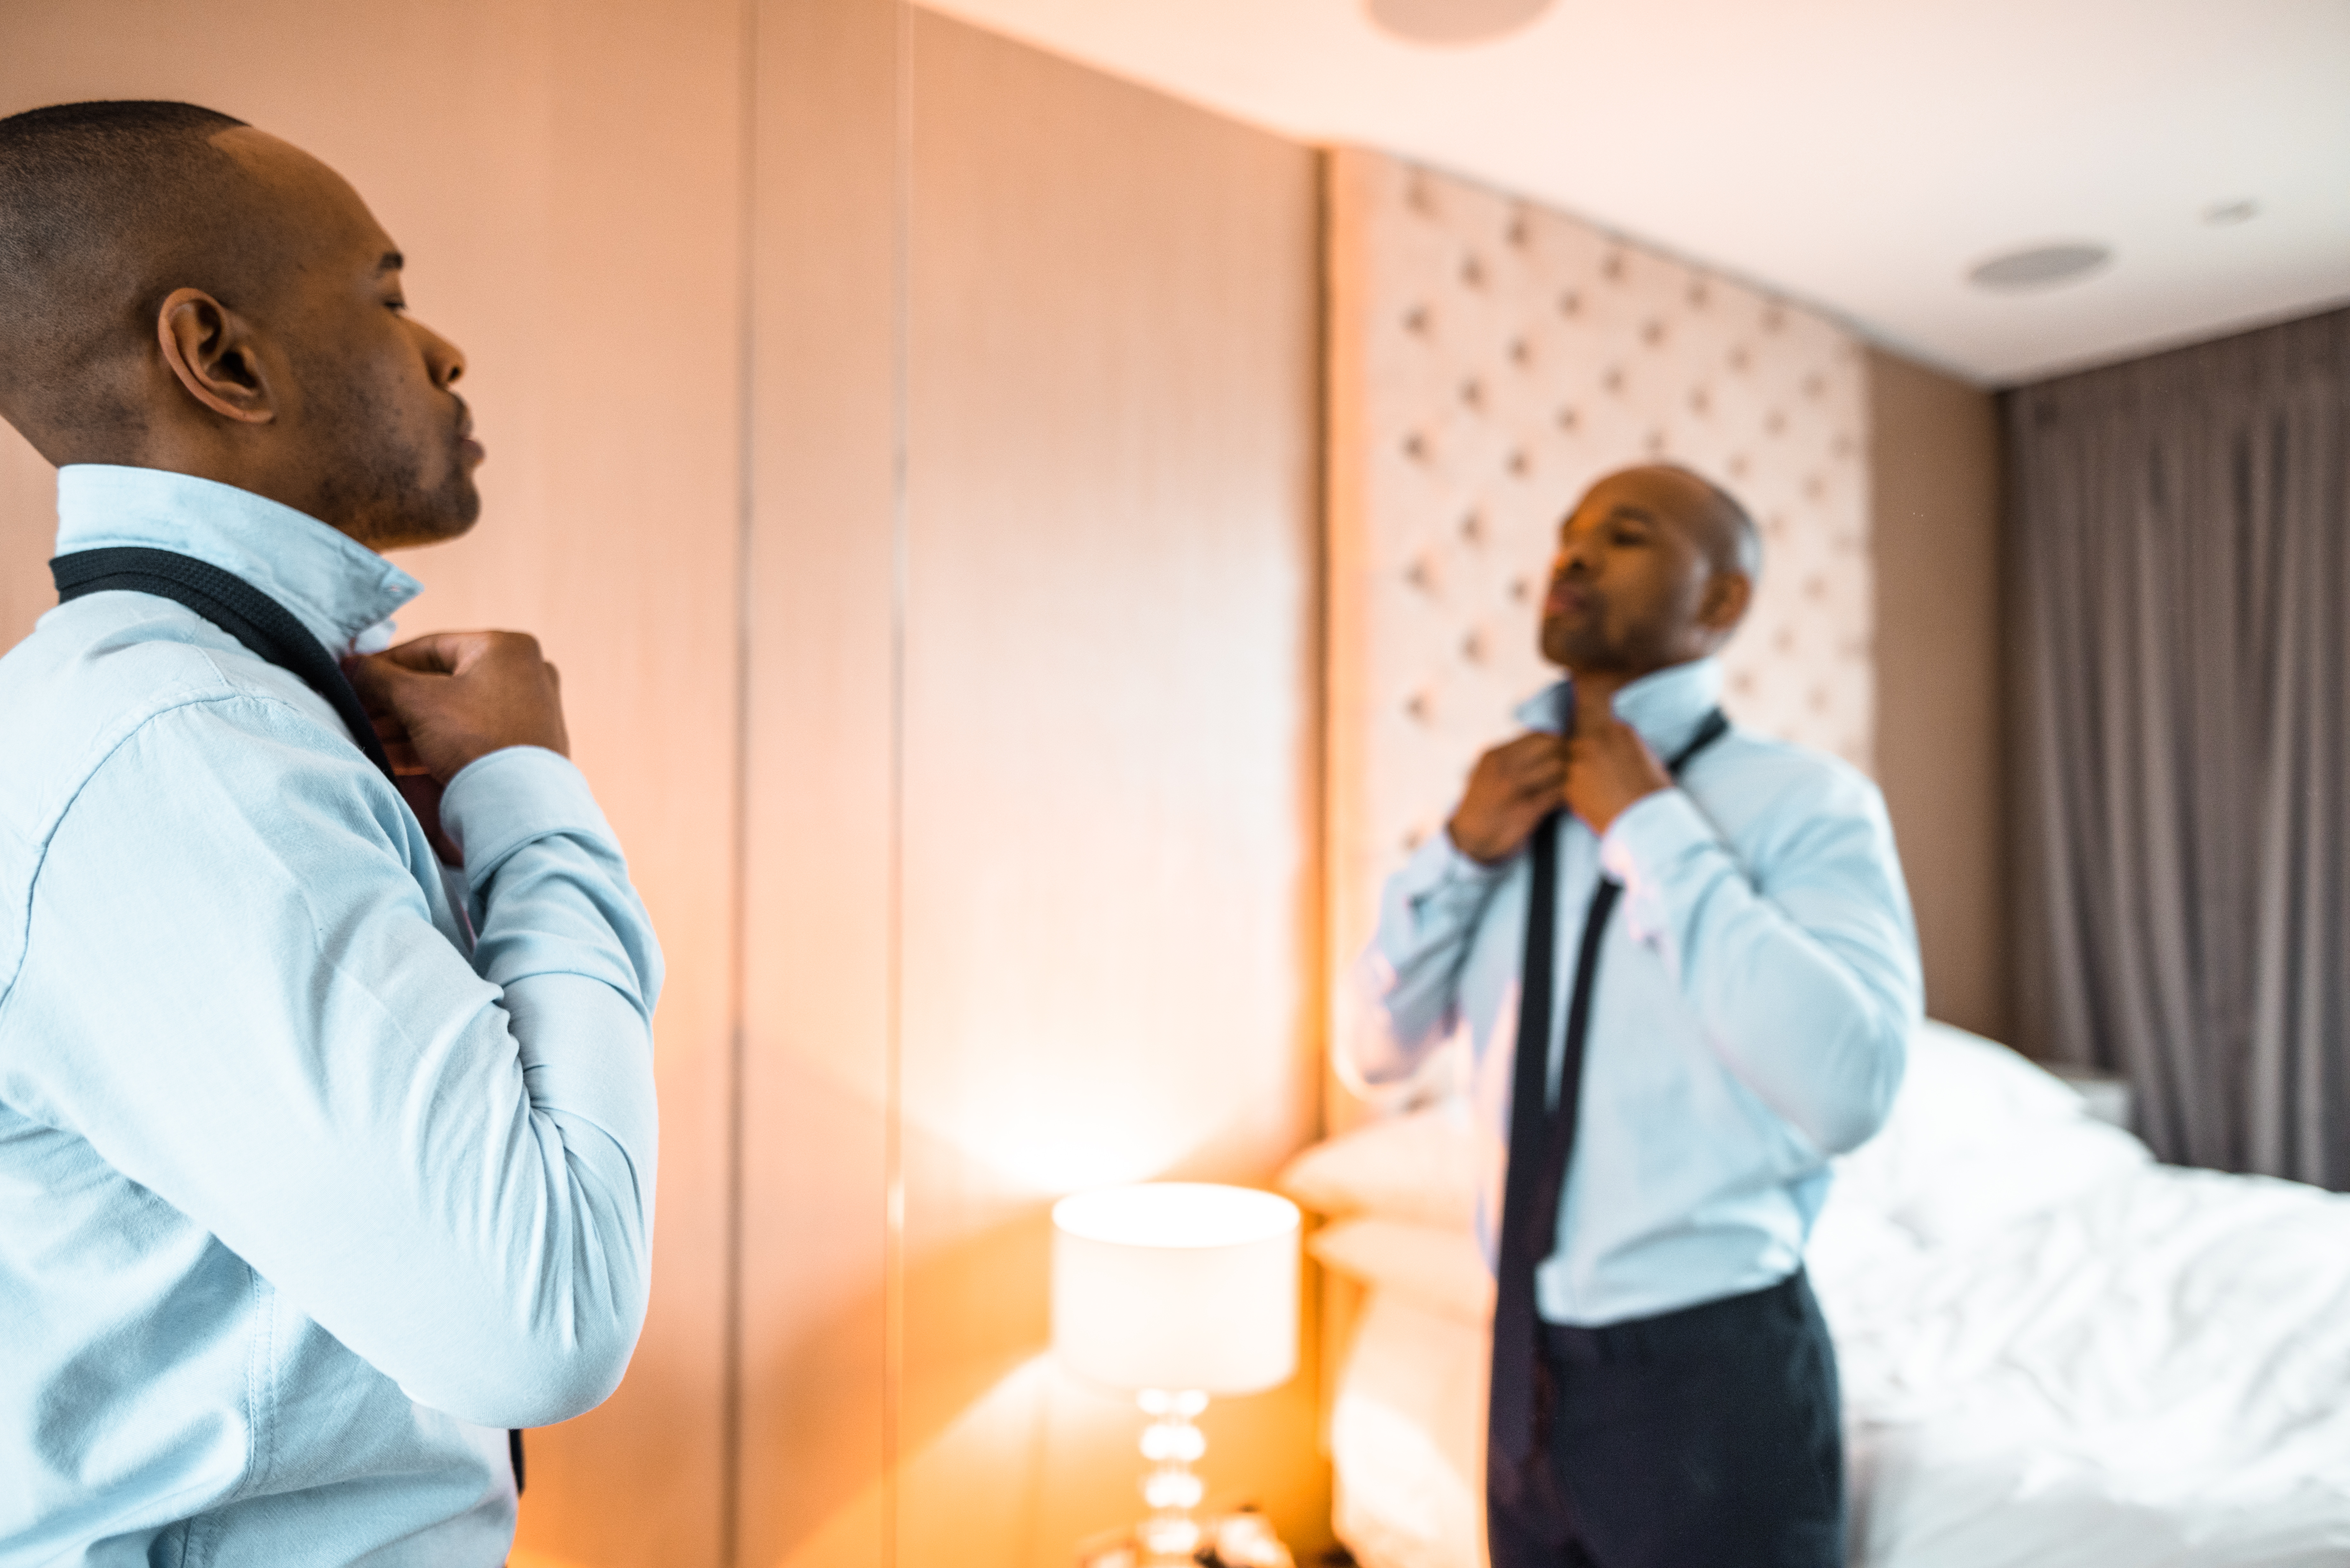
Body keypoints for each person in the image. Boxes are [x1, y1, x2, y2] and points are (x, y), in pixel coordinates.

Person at [0, 102, 661, 1564]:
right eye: (391, 295)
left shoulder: (223, 725)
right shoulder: (183, 752)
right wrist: (530, 799)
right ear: (219, 356)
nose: (446, 351)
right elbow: (542, 1318)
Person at [1341, 464, 1921, 1567]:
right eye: (1569, 532)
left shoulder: (1805, 805)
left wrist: (1652, 826)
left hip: (1715, 1374)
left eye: (1627, 535)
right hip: (1520, 1365)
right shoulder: (1499, 811)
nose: (1572, 553)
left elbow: (1850, 1089)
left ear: (1722, 601)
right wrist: (1458, 855)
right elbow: (1373, 1052)